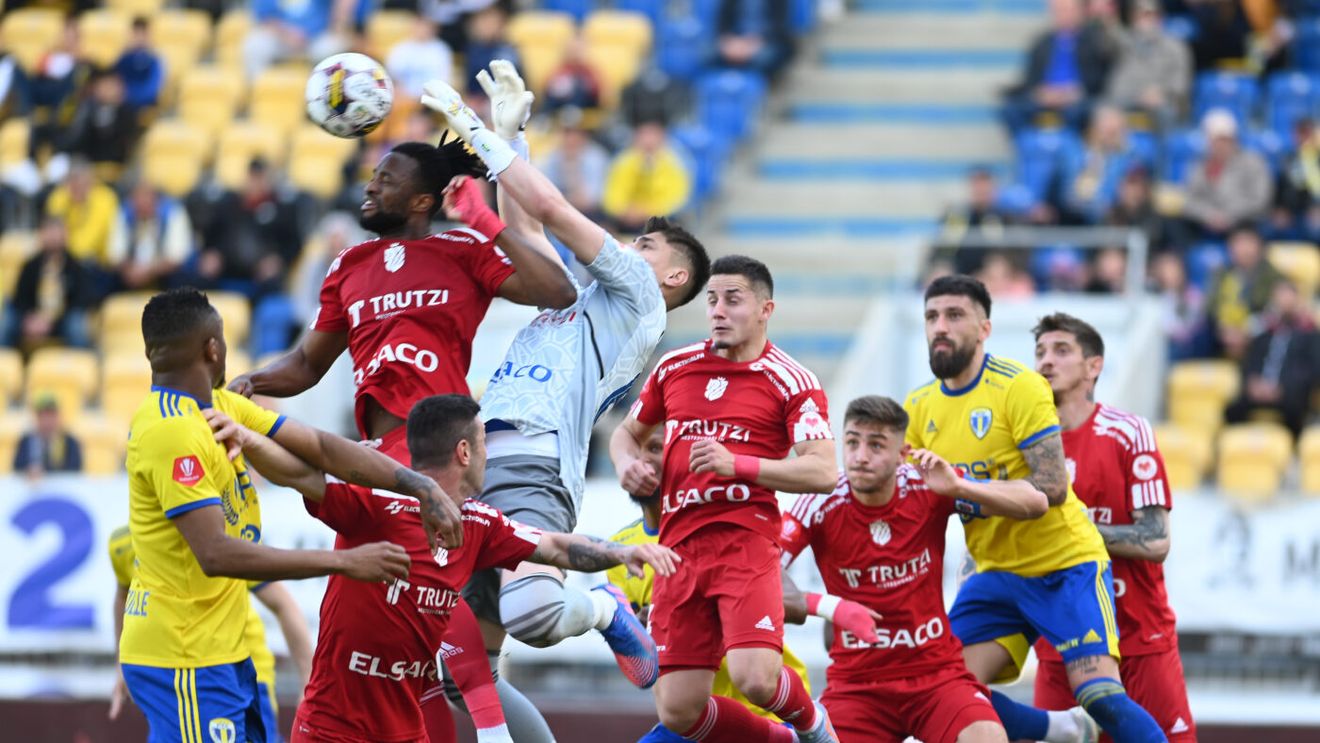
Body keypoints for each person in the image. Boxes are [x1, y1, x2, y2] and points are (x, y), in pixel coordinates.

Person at [228, 135, 577, 740]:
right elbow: (309, 364)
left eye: (386, 179)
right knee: (387, 639)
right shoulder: (348, 267)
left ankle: (591, 621)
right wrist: (252, 380)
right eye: (373, 176)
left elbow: (559, 290)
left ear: (421, 200)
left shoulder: (463, 247)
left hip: (440, 456)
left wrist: (484, 217)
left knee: (428, 639)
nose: (370, 185)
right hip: (372, 464)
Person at [423, 61, 711, 736]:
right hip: (480, 462)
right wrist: (510, 134)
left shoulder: (641, 300)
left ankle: (606, 606)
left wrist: (470, 132)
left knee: (534, 614)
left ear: (672, 273)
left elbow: (552, 209)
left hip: (535, 457)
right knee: (466, 675)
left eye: (644, 243)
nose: (626, 245)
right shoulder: (586, 300)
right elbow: (524, 235)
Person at [206, 393, 680, 743]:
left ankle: (601, 610)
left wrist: (618, 553)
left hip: (405, 730)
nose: (489, 457)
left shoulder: (478, 523)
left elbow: (553, 546)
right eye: (484, 445)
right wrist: (246, 438)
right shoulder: (375, 503)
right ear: (465, 453)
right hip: (333, 726)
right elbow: (301, 473)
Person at [120, 287, 464, 743]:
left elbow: (320, 448)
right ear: (214, 348)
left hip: (222, 649)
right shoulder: (172, 430)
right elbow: (216, 554)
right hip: (182, 655)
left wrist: (417, 485)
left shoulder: (218, 406)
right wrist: (344, 562)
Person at [903, 275, 1166, 743]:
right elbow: (918, 507)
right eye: (931, 316)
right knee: (943, 688)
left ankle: (1074, 720)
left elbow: (1052, 487)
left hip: (1065, 566)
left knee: (1100, 696)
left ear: (985, 329)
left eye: (954, 315)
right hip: (998, 574)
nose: (940, 327)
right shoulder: (919, 407)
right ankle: (1058, 729)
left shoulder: (1020, 387)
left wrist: (963, 485)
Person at [608, 255, 840, 742]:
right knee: (678, 711)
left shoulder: (790, 379)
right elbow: (627, 434)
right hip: (677, 554)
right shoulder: (675, 366)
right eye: (712, 299)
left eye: (733, 299)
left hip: (744, 545)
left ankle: (815, 726)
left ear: (764, 309)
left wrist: (741, 465)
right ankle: (784, 740)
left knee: (756, 678)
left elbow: (823, 470)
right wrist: (626, 464)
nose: (718, 310)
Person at [782, 395, 1049, 743]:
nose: (860, 456)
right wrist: (832, 607)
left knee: (987, 737)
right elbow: (761, 577)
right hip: (858, 686)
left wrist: (959, 486)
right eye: (852, 442)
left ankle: (1061, 728)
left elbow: (1036, 503)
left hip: (936, 676)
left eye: (876, 445)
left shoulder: (927, 485)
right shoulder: (820, 500)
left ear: (901, 453)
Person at [610, 427, 856, 743]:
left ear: (680, 458)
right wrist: (641, 633)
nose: (642, 461)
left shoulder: (722, 524)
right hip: (699, 715)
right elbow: (641, 663)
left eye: (656, 448)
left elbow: (792, 606)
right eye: (636, 451)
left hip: (763, 713)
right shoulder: (622, 550)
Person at [1031, 313, 1196, 742]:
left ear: (1094, 366)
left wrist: (1076, 533)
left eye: (1061, 350)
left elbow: (1157, 539)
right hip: (1061, 646)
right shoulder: (1022, 447)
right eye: (1040, 352)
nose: (1046, 361)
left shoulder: (1127, 433)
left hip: (1139, 640)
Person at [108, 525, 314, 742]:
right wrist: (121, 664)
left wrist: (307, 681)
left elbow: (283, 605)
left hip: (240, 670)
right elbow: (123, 593)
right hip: (173, 669)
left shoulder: (220, 539)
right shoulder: (122, 543)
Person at [1223, 281, 1320, 437]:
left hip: (1288, 394)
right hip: (1260, 390)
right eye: (1279, 297)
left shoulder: (1309, 334)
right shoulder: (1265, 333)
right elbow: (1250, 362)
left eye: (1288, 296)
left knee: (1295, 410)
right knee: (1232, 409)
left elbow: (1312, 370)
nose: (1284, 302)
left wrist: (1282, 387)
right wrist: (1254, 383)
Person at [1002, 0, 1115, 132]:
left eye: (1068, 10)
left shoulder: (1095, 41)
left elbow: (1101, 77)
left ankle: (1072, 149)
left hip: (1079, 99)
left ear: (1080, 12)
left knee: (1081, 112)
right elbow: (1030, 79)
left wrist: (1074, 93)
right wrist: (1042, 93)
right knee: (1012, 110)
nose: (1064, 15)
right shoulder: (1041, 43)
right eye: (1059, 10)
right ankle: (1033, 146)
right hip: (1046, 98)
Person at [4, 216, 94, 350]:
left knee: (75, 325)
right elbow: (20, 298)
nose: (53, 237)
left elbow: (81, 300)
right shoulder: (30, 265)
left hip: (62, 319)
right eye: (48, 231)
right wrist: (30, 318)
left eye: (56, 232)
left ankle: (83, 363)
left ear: (65, 235)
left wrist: (51, 320)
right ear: (41, 235)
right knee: (7, 321)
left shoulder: (76, 266)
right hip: (32, 317)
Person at [1182, 109, 1273, 239]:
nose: (1221, 145)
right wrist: (1210, 215)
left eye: (1225, 139)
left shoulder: (1253, 162)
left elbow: (1260, 199)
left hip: (1244, 222)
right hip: (1206, 223)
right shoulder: (1199, 165)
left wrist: (1229, 215)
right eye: (1216, 140)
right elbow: (1189, 201)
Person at [1103, 0, 1191, 127]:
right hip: (1129, 98)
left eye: (1153, 15)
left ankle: (1165, 147)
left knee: (1166, 112)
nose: (1148, 20)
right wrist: (1138, 95)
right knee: (1103, 109)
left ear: (1161, 18)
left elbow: (1181, 82)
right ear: (1133, 18)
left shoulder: (1176, 47)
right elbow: (1116, 85)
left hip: (1163, 100)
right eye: (1143, 15)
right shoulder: (1122, 44)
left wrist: (1162, 92)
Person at [1206, 224, 1286, 359]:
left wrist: (1247, 332)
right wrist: (1223, 330)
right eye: (1237, 243)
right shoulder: (1221, 274)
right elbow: (1209, 308)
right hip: (1223, 336)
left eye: (1247, 242)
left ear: (1259, 246)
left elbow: (1274, 311)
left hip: (1259, 336)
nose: (1242, 248)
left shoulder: (1273, 276)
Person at [601, 120, 693, 235]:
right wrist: (624, 211)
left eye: (652, 135)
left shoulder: (674, 163)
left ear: (661, 138)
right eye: (643, 135)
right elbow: (611, 195)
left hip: (659, 219)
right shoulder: (623, 161)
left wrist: (648, 212)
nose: (648, 141)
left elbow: (677, 199)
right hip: (625, 218)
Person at [107, 179, 193, 293]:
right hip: (130, 275)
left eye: (146, 198)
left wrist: (148, 271)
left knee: (183, 277)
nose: (141, 203)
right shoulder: (125, 213)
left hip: (165, 275)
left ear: (156, 199)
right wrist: (130, 270)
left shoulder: (173, 212)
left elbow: (176, 256)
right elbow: (115, 254)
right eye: (137, 198)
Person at [12, 393, 83, 477]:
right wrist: (28, 471)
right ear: (37, 418)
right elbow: (17, 468)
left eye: (51, 416)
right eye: (43, 416)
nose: (47, 421)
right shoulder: (26, 441)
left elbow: (74, 470)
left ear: (58, 417)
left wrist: (44, 471)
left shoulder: (70, 442)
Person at [114, 17, 164, 111]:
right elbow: (116, 79)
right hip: (122, 104)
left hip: (145, 105)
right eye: (136, 33)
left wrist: (130, 97)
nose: (139, 37)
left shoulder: (155, 59)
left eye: (143, 33)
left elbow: (153, 87)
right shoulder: (124, 57)